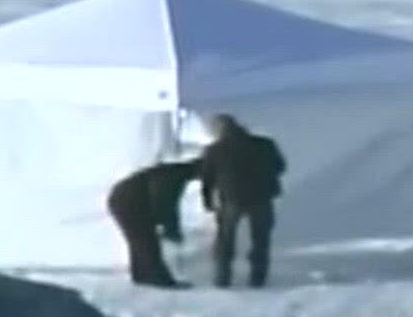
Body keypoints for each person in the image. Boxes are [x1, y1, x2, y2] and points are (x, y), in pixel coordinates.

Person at [197, 115, 287, 289]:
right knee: (260, 239)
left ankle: (222, 278)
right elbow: (280, 167)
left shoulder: (214, 150)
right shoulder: (264, 144)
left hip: (232, 199)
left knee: (225, 239)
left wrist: (208, 202)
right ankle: (258, 278)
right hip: (262, 196)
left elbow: (207, 179)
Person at [106, 160, 201, 289]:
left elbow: (169, 203)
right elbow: (164, 201)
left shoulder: (175, 172)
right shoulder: (173, 175)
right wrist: (170, 228)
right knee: (147, 240)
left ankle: (141, 276)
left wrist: (169, 226)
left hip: (123, 198)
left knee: (139, 240)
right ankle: (160, 279)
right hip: (127, 201)